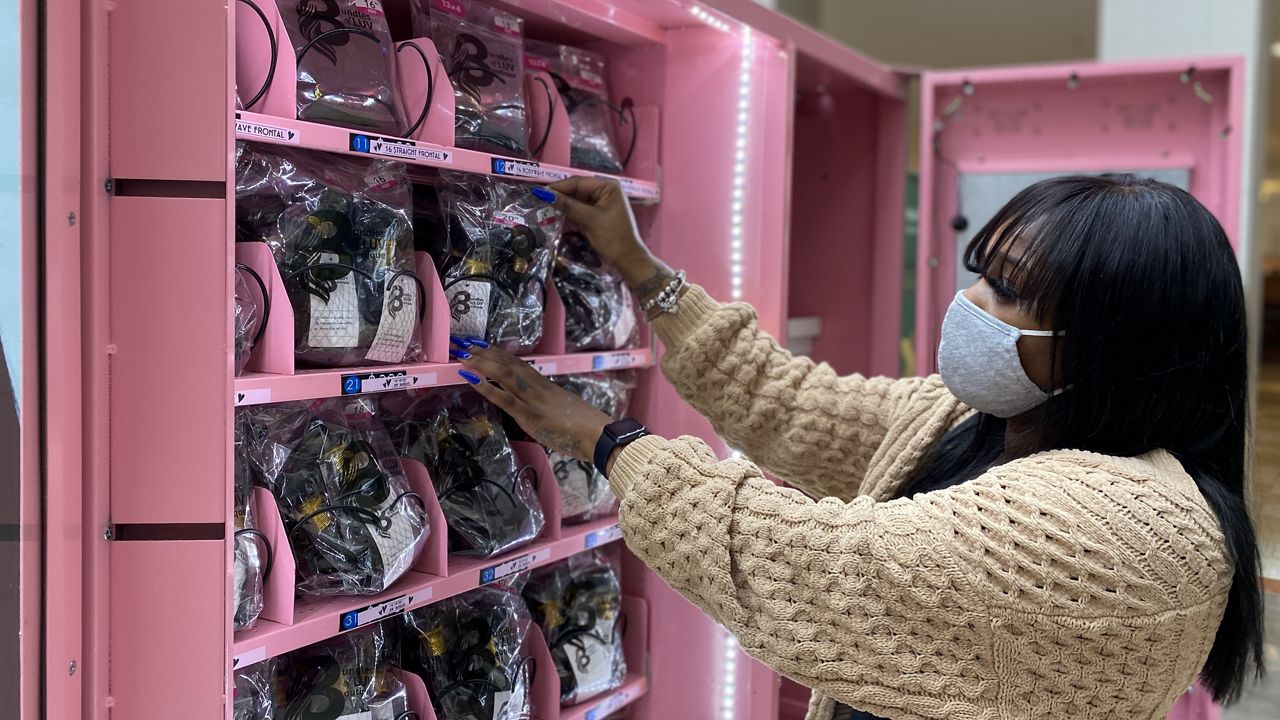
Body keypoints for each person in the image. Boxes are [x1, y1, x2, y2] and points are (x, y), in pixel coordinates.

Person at [448, 174, 1264, 720]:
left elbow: (814, 563)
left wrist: (605, 438)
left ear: (1115, 344)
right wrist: (638, 266)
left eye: (1007, 291)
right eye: (981, 271)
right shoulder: (980, 419)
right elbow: (792, 404)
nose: (968, 300)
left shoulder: (1120, 523)